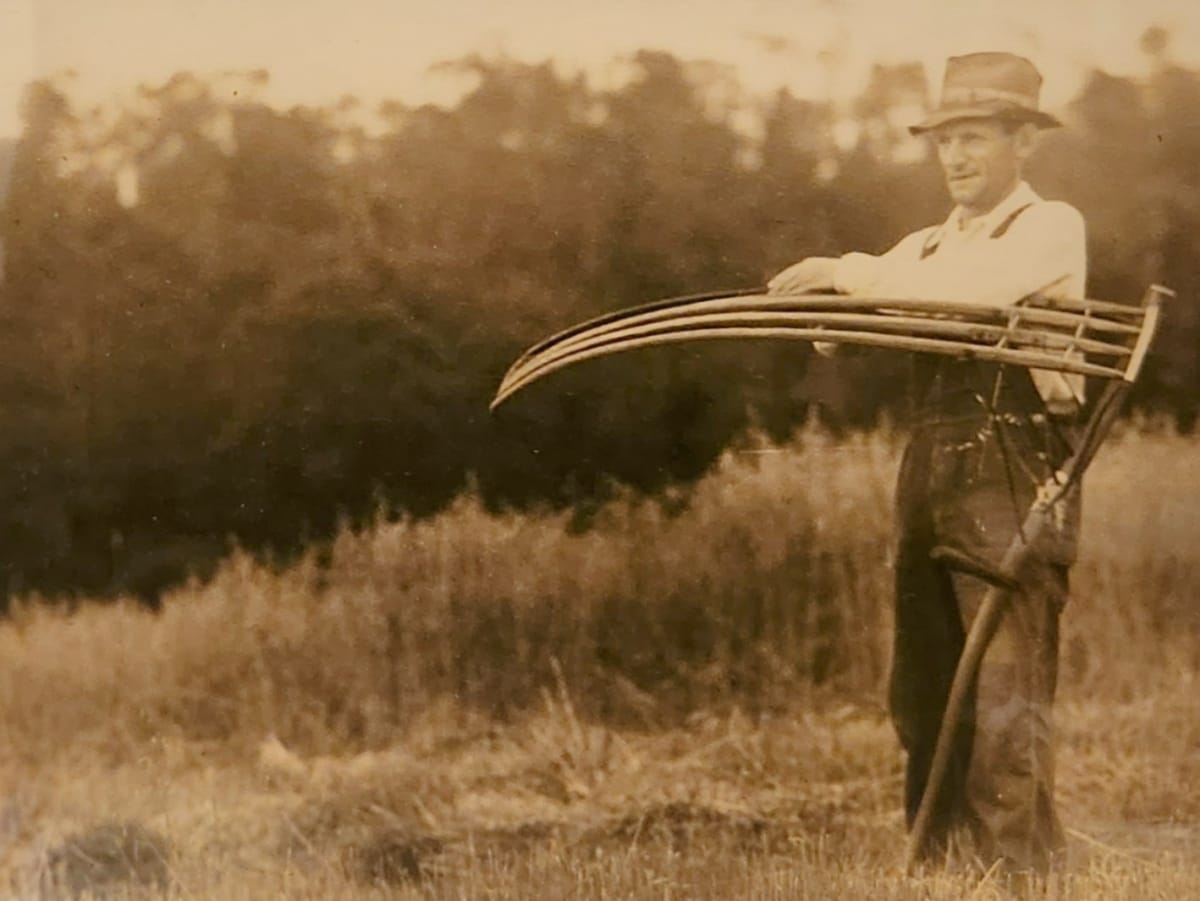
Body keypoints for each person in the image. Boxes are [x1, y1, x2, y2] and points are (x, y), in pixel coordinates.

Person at [768, 52, 1086, 876]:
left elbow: (969, 294)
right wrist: (843, 302)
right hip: (932, 470)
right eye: (946, 140)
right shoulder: (927, 245)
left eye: (974, 137)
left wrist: (850, 273)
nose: (956, 156)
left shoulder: (1049, 226)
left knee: (1006, 693)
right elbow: (838, 333)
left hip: (1014, 471)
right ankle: (944, 871)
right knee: (922, 688)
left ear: (1023, 141)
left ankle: (1019, 878)